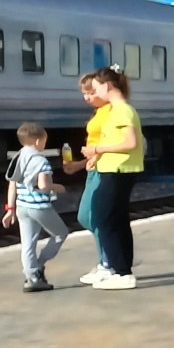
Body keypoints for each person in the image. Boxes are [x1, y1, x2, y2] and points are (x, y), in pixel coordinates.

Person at [81, 67, 142, 290]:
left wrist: (98, 148)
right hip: (117, 169)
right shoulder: (121, 110)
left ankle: (121, 272)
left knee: (103, 219)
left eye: (96, 89)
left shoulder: (120, 111)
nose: (95, 93)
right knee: (118, 221)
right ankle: (122, 270)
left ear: (107, 87)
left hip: (117, 171)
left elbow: (130, 142)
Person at [3, 122, 67, 292]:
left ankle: (32, 278)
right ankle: (39, 264)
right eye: (45, 141)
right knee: (60, 233)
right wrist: (57, 187)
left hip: (22, 207)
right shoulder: (41, 160)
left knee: (28, 244)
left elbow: (12, 184)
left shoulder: (18, 157)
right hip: (39, 207)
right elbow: (44, 185)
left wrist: (10, 210)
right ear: (39, 141)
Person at [65, 74, 112, 284]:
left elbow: (112, 142)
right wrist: (78, 165)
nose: (87, 97)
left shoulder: (112, 112)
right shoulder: (98, 112)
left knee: (94, 217)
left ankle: (108, 262)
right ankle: (107, 258)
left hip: (104, 170)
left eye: (91, 92)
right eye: (84, 93)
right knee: (88, 217)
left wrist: (97, 154)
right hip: (94, 169)